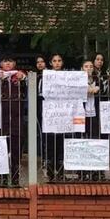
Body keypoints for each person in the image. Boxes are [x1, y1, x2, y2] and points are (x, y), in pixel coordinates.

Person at [0, 55, 27, 186]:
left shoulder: (20, 75)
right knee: (2, 150)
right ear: (1, 63)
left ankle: (15, 177)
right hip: (1, 119)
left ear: (14, 63)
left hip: (17, 120)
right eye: (5, 61)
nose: (8, 64)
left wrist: (22, 78)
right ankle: (3, 178)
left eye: (10, 61)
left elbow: (28, 83)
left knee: (16, 150)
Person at [43, 53, 66, 181]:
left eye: (59, 60)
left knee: (61, 143)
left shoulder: (68, 77)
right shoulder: (46, 77)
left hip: (64, 115)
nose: (57, 63)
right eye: (54, 61)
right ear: (51, 63)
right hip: (51, 115)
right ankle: (51, 172)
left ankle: (61, 170)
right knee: (50, 143)